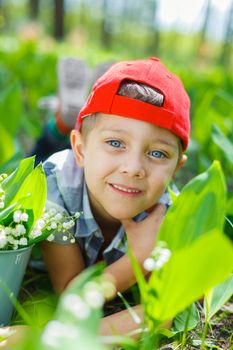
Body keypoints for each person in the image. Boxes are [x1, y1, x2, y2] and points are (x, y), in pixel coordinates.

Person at [40, 57, 190, 336]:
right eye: (116, 143)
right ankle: (60, 123)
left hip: (94, 170)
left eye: (158, 153)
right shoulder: (55, 184)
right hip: (65, 170)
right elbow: (70, 295)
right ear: (81, 150)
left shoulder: (172, 215)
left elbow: (162, 313)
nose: (133, 168)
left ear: (176, 168)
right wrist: (140, 260)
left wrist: (65, 338)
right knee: (28, 162)